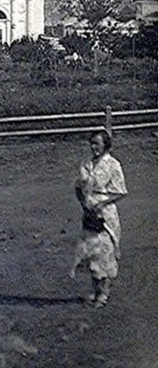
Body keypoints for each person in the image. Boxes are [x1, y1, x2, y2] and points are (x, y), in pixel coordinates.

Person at [69, 129, 128, 308]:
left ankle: (104, 293)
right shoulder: (86, 164)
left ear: (105, 145)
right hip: (89, 214)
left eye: (97, 144)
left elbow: (120, 191)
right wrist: (84, 204)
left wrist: (101, 204)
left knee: (105, 255)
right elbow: (78, 187)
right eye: (92, 144)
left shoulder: (113, 165)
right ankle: (96, 291)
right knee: (91, 254)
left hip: (106, 215)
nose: (94, 147)